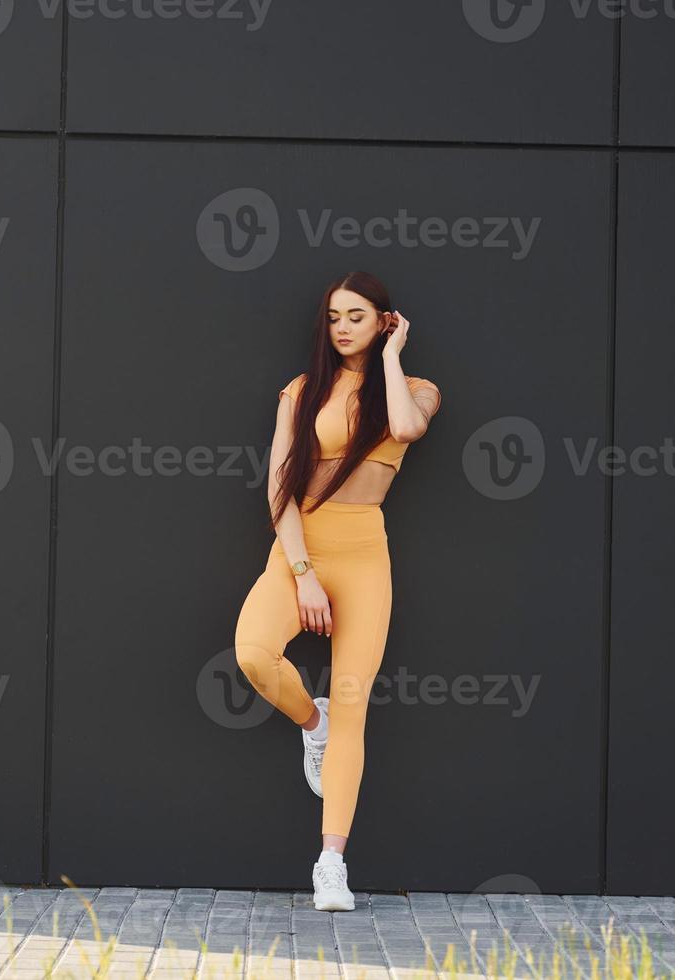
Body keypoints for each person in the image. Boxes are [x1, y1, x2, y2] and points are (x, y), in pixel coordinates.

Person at [234, 270, 442, 912]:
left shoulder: (414, 390)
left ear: (385, 319)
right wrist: (303, 575)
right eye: (333, 317)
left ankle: (331, 863)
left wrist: (391, 356)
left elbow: (405, 431)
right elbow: (279, 488)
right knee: (253, 654)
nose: (342, 326)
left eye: (357, 315)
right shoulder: (301, 392)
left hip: (364, 553)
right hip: (301, 547)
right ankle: (310, 720)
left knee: (355, 703)